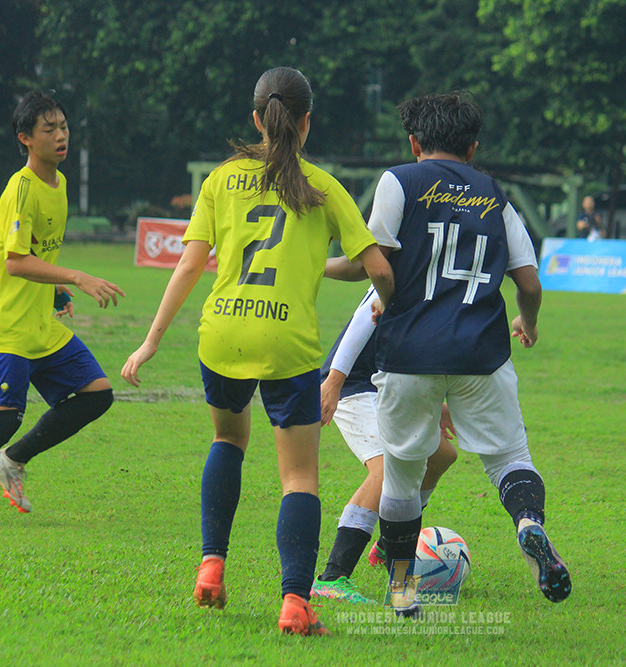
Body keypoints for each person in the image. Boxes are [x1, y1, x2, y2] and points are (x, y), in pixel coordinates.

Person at [120, 67, 394, 637]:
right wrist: (388, 303)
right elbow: (377, 268)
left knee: (227, 440)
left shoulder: (222, 179)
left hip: (221, 333)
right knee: (298, 478)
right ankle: (295, 602)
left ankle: (212, 565)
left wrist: (150, 342)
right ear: (306, 122)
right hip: (288, 342)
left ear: (256, 118)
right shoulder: (322, 185)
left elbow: (191, 263)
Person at [365, 92, 571, 615]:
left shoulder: (399, 181)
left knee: (403, 474)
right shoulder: (492, 193)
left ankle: (403, 592)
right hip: (482, 352)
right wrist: (529, 318)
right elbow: (528, 279)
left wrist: (389, 306)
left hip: (410, 353)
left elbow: (377, 262)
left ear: (414, 143)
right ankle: (528, 524)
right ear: (473, 147)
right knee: (509, 459)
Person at [0, 91, 124, 527]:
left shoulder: (60, 184)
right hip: (8, 326)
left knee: (97, 395)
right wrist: (76, 277)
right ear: (25, 138)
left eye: (64, 126)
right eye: (48, 129)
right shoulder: (22, 189)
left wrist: (56, 292)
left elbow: (37, 254)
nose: (60, 136)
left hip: (39, 324)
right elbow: (14, 261)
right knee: (4, 420)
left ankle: (12, 460)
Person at [310, 286, 458, 604]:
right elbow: (364, 317)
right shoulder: (407, 267)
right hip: (353, 383)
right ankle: (332, 577)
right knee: (386, 469)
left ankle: (391, 542)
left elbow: (426, 347)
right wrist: (333, 383)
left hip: (391, 386)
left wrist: (437, 405)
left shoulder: (447, 279)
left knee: (441, 456)